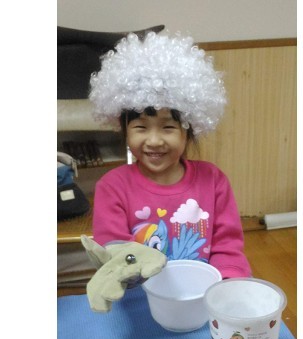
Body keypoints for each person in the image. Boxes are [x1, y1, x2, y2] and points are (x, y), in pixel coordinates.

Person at [88, 32, 251, 279]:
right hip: (139, 292)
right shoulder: (112, 187)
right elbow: (115, 252)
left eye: (168, 127)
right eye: (141, 127)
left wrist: (226, 284)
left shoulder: (213, 181)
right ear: (124, 130)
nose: (154, 140)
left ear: (189, 130)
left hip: (202, 291)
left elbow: (228, 247)